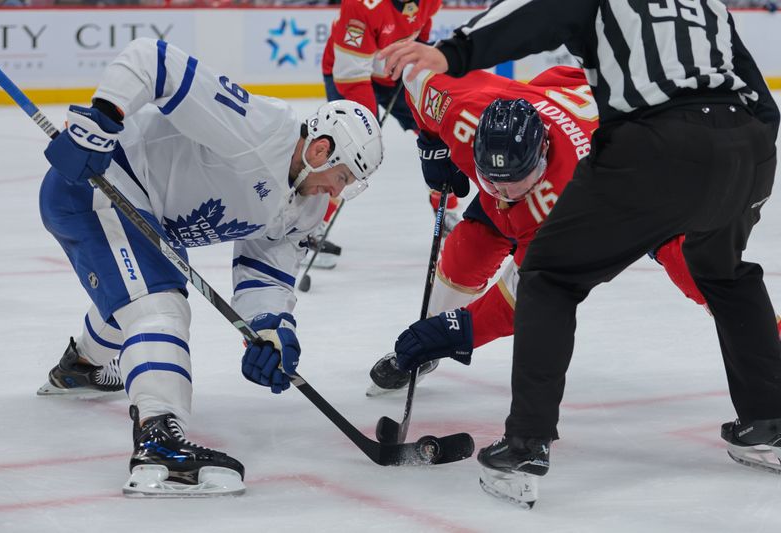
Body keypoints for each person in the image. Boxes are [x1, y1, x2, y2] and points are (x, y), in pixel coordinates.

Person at [379, 0, 781, 507]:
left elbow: (536, 15)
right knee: (728, 277)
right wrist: (433, 152)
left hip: (654, 149)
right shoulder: (707, 5)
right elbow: (758, 92)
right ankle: (770, 424)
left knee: (549, 277)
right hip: (746, 148)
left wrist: (454, 51)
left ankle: (526, 444)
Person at [37, 37, 383, 497]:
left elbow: (266, 268)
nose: (335, 192)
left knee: (135, 293)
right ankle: (158, 438)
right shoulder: (259, 128)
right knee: (159, 305)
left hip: (144, 214)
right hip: (96, 183)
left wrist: (270, 328)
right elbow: (152, 60)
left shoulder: (306, 207)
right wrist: (103, 120)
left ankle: (81, 364)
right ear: (320, 150)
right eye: (340, 178)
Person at [368, 65, 781, 395]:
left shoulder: (569, 202)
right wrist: (432, 146)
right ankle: (430, 341)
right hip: (584, 111)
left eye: (515, 181)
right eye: (490, 179)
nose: (503, 192)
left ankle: (773, 348)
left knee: (699, 270)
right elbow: (417, 76)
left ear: (542, 152)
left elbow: (524, 302)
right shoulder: (466, 114)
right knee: (468, 247)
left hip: (646, 184)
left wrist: (460, 332)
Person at [316, 0, 462, 269]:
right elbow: (351, 76)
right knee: (347, 149)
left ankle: (447, 215)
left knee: (439, 132)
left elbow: (423, 27)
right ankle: (312, 226)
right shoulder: (361, 6)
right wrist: (366, 129)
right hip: (349, 74)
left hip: (391, 73)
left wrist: (414, 60)